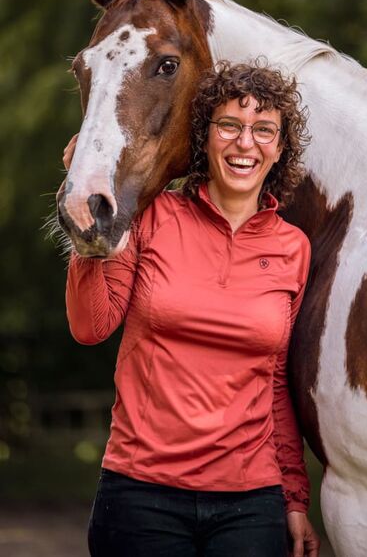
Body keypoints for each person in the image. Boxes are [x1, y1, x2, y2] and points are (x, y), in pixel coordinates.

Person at [64, 60, 320, 557]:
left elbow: (273, 382)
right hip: (141, 495)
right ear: (205, 136)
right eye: (229, 125)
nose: (246, 142)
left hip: (250, 503)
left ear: (280, 149)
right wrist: (85, 226)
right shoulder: (153, 215)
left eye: (264, 130)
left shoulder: (293, 249)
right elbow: (91, 326)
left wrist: (294, 496)